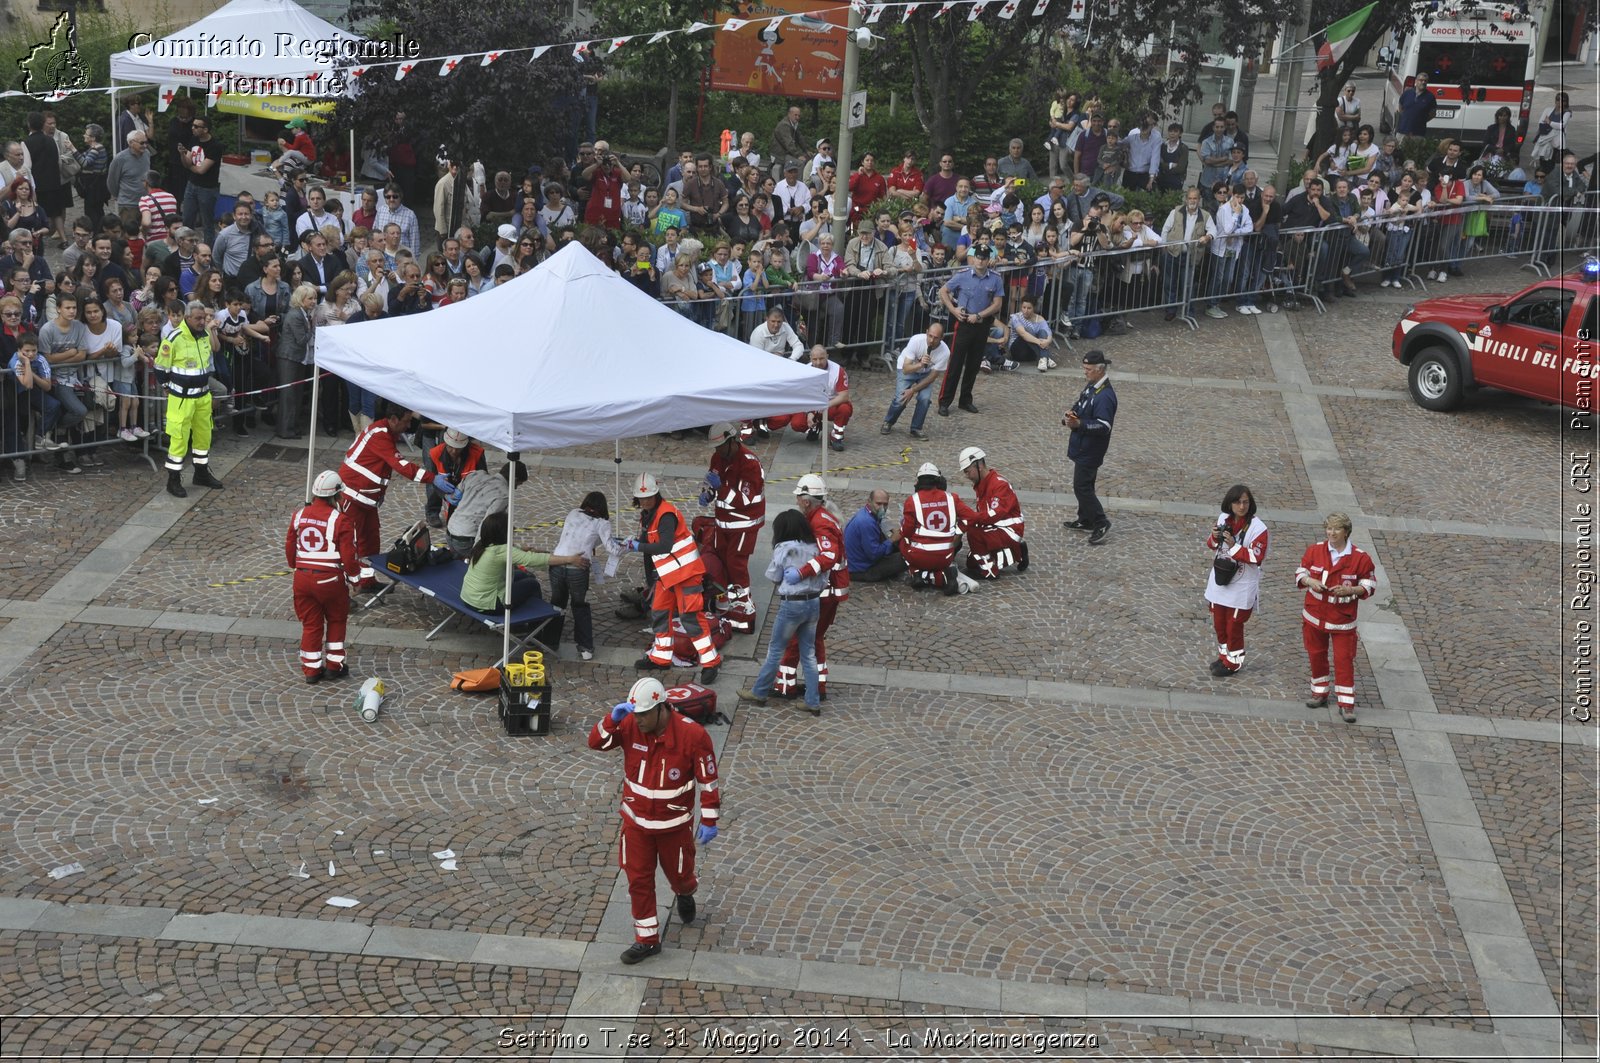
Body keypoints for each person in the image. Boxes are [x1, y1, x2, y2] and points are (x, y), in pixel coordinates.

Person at [588, 675, 721, 965]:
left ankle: (685, 892)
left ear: (662, 708)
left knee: (679, 875)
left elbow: (708, 782)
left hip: (673, 828)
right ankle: (647, 940)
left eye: (645, 715)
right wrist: (611, 719)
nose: (639, 722)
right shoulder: (629, 724)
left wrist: (709, 818)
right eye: (635, 715)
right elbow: (596, 742)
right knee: (638, 879)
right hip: (636, 825)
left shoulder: (693, 736)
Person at [338, 400, 457, 590]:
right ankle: (342, 590)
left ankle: (366, 581)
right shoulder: (380, 435)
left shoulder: (386, 433)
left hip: (365, 500)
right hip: (352, 498)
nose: (409, 425)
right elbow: (401, 465)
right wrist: (432, 478)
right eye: (406, 421)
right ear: (393, 419)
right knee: (349, 545)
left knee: (370, 541)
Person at [622, 472, 722, 685]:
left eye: (649, 497)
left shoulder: (666, 515)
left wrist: (638, 547)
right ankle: (661, 657)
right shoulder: (649, 514)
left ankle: (711, 661)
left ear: (656, 494)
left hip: (686, 575)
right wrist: (632, 542)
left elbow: (664, 546)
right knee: (659, 612)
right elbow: (649, 538)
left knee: (692, 619)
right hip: (668, 576)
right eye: (642, 498)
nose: (646, 501)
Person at [737, 509, 826, 714]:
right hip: (813, 603)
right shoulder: (815, 547)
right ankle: (812, 701)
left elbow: (774, 576)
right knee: (809, 654)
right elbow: (823, 575)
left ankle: (759, 691)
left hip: (792, 605)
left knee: (776, 650)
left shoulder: (784, 548)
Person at [770, 475, 847, 699]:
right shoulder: (822, 516)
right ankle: (818, 687)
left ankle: (785, 686)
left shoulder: (819, 521)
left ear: (806, 500)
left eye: (798, 497)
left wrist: (801, 572)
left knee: (795, 638)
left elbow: (829, 556)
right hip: (830, 591)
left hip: (823, 592)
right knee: (815, 639)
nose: (795, 501)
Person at [1296, 511, 1377, 722]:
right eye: (1329, 528)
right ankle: (1319, 692)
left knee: (1343, 659)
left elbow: (1369, 585)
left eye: (1336, 529)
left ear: (1346, 532)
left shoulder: (1360, 558)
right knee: (1316, 654)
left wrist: (1352, 591)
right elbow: (1301, 572)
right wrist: (1310, 582)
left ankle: (1346, 703)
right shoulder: (1315, 550)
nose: (1331, 533)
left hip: (1342, 620)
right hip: (1314, 616)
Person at [287, 470, 362, 684]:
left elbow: (290, 545)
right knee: (336, 620)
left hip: (302, 579)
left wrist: (296, 566)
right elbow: (349, 556)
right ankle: (334, 666)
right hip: (330, 581)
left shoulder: (298, 515)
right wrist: (356, 579)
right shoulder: (342, 520)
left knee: (311, 624)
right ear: (336, 496)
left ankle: (311, 670)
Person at [155, 300, 225, 498]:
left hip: (202, 396)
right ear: (187, 318)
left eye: (204, 318)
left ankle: (201, 474)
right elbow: (161, 368)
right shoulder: (174, 338)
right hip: (182, 400)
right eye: (198, 318)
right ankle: (173, 480)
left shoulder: (204, 336)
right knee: (179, 440)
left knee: (204, 437)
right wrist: (168, 387)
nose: (202, 322)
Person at [703, 422, 766, 632]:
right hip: (724, 523)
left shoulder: (750, 464)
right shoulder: (717, 457)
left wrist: (720, 489)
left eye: (721, 446)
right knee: (722, 560)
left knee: (736, 563)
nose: (718, 451)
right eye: (716, 447)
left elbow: (743, 500)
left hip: (744, 524)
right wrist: (708, 493)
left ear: (733, 441)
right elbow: (713, 483)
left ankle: (744, 603)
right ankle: (729, 599)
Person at [461, 510, 588, 613]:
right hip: (487, 604)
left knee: (522, 575)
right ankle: (533, 625)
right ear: (502, 533)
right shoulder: (502, 551)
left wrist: (521, 550)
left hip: (469, 597)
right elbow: (533, 560)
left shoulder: (482, 544)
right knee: (532, 584)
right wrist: (570, 559)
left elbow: (508, 553)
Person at [1203, 484, 1268, 677]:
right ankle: (1224, 655)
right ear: (1230, 504)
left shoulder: (1258, 528)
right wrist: (1214, 538)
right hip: (1221, 580)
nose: (1242, 506)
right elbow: (1212, 545)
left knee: (1234, 624)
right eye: (1238, 502)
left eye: (1245, 502)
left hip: (1242, 585)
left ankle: (1234, 661)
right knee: (1219, 623)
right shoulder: (1224, 519)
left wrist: (1233, 546)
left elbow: (1257, 557)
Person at [936, 246, 1005, 416]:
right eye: (978, 257)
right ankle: (944, 401)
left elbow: (997, 303)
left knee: (974, 365)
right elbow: (943, 290)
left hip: (981, 324)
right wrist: (953, 310)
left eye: (984, 258)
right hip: (964, 323)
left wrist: (980, 315)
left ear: (988, 259)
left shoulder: (995, 279)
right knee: (955, 364)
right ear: (973, 258)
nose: (980, 261)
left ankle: (965, 400)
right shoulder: (963, 275)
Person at [550, 490, 613, 661]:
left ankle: (550, 640)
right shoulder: (602, 523)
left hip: (557, 563)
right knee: (579, 606)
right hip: (578, 569)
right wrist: (628, 545)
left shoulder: (573, 513)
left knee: (557, 604)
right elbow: (611, 547)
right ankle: (585, 647)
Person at [1062, 349, 1116, 545]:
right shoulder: (1092, 386)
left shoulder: (1105, 396)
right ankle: (1085, 518)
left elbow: (1104, 425)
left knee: (1082, 487)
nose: (1085, 372)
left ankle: (1100, 522)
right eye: (1084, 368)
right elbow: (1080, 403)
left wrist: (1080, 425)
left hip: (1091, 449)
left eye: (1088, 369)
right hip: (1084, 446)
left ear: (1100, 370)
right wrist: (1071, 414)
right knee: (1086, 485)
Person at [899, 462, 975, 594]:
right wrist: (958, 531)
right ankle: (941, 577)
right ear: (938, 480)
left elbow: (907, 531)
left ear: (918, 481)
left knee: (903, 542)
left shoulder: (912, 500)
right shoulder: (952, 498)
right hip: (946, 555)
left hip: (919, 556)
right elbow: (971, 517)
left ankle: (917, 573)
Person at [958, 446, 1027, 579]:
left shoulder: (999, 485)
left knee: (973, 534)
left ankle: (990, 571)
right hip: (996, 528)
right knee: (971, 563)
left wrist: (970, 518)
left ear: (979, 466)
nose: (966, 476)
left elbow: (994, 514)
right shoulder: (982, 484)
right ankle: (1018, 551)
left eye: (967, 471)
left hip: (1010, 530)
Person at [881, 321, 948, 439]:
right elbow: (906, 369)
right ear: (926, 333)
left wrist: (913, 390)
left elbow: (932, 377)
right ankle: (888, 421)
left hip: (926, 374)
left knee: (925, 399)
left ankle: (916, 428)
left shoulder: (945, 352)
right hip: (908, 369)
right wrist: (920, 364)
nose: (931, 340)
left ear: (942, 338)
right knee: (900, 398)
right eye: (930, 336)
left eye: (936, 338)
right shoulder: (916, 341)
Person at [445, 460, 525, 556]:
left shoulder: (476, 474)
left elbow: (454, 496)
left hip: (450, 531)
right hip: (466, 540)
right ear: (514, 479)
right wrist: (476, 552)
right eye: (518, 484)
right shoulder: (504, 494)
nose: (515, 488)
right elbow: (486, 525)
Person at [780, 345, 851, 451]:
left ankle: (836, 436)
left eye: (821, 358)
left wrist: (825, 405)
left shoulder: (837, 370)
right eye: (815, 359)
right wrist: (809, 413)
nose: (818, 363)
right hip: (812, 404)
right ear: (810, 358)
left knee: (845, 409)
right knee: (797, 424)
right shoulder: (805, 371)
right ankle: (816, 427)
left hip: (831, 404)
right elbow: (803, 397)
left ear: (827, 356)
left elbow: (844, 396)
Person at [424, 428, 486, 529]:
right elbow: (432, 479)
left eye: (458, 448)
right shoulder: (435, 453)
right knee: (435, 486)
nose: (454, 451)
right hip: (445, 485)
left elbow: (483, 479)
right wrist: (444, 495)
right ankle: (432, 512)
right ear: (445, 443)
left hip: (468, 489)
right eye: (450, 447)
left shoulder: (477, 453)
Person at [845, 489, 907, 583]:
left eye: (885, 504)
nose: (882, 508)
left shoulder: (866, 513)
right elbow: (874, 555)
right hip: (861, 570)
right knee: (907, 556)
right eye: (878, 504)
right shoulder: (867, 523)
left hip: (856, 563)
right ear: (869, 502)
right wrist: (892, 540)